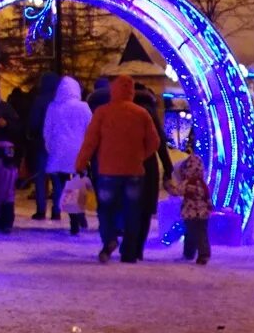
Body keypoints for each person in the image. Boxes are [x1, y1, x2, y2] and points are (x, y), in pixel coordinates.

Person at [75, 74, 160, 263]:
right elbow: (154, 142)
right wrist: (140, 156)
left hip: (108, 171)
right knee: (133, 211)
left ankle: (110, 239)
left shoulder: (102, 112)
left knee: (106, 209)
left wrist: (80, 163)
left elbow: (90, 142)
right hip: (134, 172)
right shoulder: (142, 114)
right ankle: (129, 252)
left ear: (112, 90)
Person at [130, 84, 173, 260]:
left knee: (131, 207)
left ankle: (129, 245)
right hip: (148, 165)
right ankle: (138, 247)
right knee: (145, 209)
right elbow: (159, 143)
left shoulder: (127, 111)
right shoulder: (150, 113)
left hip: (128, 163)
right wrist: (168, 168)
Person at [42, 76, 92, 222]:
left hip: (59, 151)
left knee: (62, 183)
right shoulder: (83, 107)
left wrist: (49, 146)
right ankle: (78, 215)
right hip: (78, 150)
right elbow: (90, 128)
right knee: (77, 183)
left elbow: (47, 130)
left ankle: (68, 215)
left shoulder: (53, 107)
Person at [0, 84, 22, 232]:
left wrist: (6, 124)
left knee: (6, 187)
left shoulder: (7, 108)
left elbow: (17, 128)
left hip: (6, 152)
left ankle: (6, 219)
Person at [26, 72, 60, 219]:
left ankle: (41, 209)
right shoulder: (59, 100)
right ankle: (57, 210)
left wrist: (32, 134)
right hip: (57, 145)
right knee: (57, 179)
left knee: (41, 177)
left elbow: (33, 122)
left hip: (41, 143)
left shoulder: (39, 100)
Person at [167, 148, 211, 264]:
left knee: (191, 234)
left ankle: (189, 254)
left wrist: (168, 187)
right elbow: (207, 197)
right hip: (203, 214)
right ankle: (204, 253)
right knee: (202, 234)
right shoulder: (202, 183)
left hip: (190, 214)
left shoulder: (188, 182)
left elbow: (177, 191)